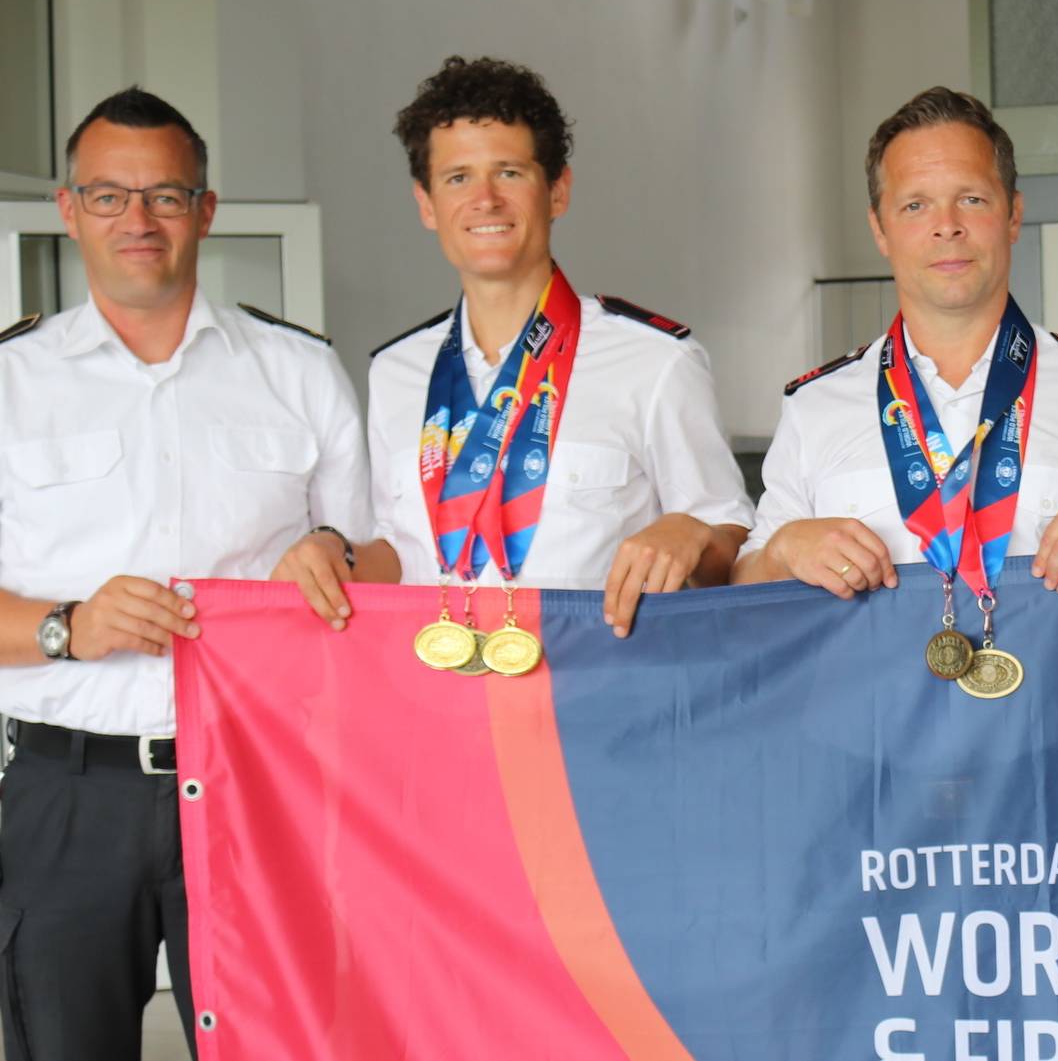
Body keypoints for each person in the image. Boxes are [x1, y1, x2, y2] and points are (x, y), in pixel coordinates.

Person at [0, 88, 370, 1058]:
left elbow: (384, 557)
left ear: (205, 209)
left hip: (264, 781)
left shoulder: (298, 371)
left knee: (283, 1044)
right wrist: (63, 624)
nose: (138, 218)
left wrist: (332, 551)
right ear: (67, 207)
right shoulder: (9, 380)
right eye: (110, 194)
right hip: (69, 792)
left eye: (165, 194)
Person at [274, 57, 751, 633]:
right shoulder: (397, 370)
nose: (485, 200)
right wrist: (337, 556)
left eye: (510, 173)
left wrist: (696, 534)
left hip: (597, 702)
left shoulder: (656, 362)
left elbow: (733, 545)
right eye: (458, 178)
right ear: (426, 204)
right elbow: (404, 551)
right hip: (439, 702)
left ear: (557, 190)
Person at [734, 87, 1058, 607]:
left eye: (972, 199)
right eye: (915, 205)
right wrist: (781, 550)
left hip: (1055, 688)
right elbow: (745, 591)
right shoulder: (814, 408)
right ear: (880, 230)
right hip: (873, 689)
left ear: (1013, 215)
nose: (947, 226)